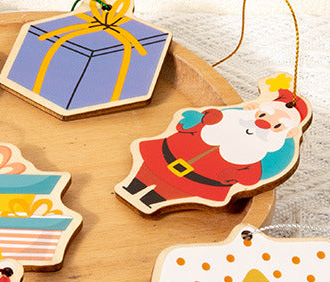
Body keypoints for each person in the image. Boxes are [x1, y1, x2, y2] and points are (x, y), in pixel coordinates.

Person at [119, 82, 311, 212]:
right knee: (146, 172)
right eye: (263, 116)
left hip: (197, 183)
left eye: (276, 126)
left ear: (289, 133)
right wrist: (201, 120)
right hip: (164, 156)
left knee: (169, 194)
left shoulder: (260, 153)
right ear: (254, 110)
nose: (263, 124)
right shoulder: (225, 119)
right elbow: (188, 123)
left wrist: (237, 175)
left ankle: (154, 200)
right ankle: (133, 185)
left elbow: (252, 176)